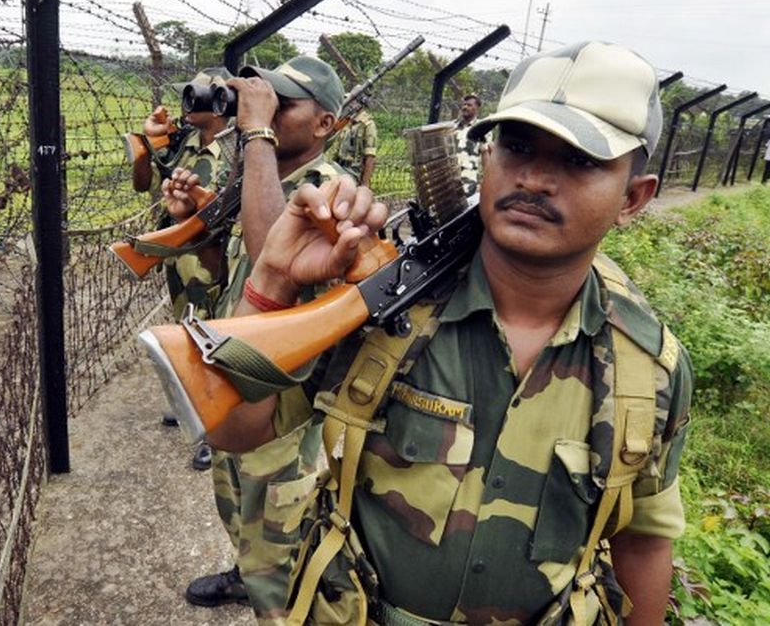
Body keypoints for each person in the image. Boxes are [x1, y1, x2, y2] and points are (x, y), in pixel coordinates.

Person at [207, 41, 693, 624]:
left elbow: (644, 539)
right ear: (487, 159)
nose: (535, 178)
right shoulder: (384, 302)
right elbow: (236, 431)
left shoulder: (647, 366)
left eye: (579, 160)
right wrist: (273, 283)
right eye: (516, 145)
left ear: (634, 198)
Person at [160, 55, 347, 615]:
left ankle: (271, 591)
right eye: (261, 98)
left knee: (284, 560)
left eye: (283, 104)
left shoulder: (327, 192)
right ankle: (245, 572)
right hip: (238, 392)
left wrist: (257, 134)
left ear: (325, 125)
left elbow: (276, 260)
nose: (259, 108)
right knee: (238, 511)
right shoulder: (262, 184)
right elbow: (229, 281)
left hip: (285, 417)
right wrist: (196, 228)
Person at [132, 68, 233, 471]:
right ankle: (191, 403)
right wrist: (145, 142)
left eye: (197, 96)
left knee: (216, 342)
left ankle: (214, 429)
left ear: (220, 102)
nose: (188, 103)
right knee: (187, 333)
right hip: (180, 260)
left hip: (218, 260)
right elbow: (143, 183)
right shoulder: (181, 142)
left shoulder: (240, 150)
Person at [333, 90, 378, 187]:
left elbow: (370, 157)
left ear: (360, 104)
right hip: (337, 165)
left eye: (352, 101)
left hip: (352, 172)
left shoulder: (368, 125)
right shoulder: (346, 121)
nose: (349, 103)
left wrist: (365, 183)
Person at [456, 93, 489, 197]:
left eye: (469, 105)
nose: (465, 107)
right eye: (464, 104)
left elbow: (485, 153)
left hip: (467, 178)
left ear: (477, 108)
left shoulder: (481, 128)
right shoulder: (452, 127)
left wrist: (487, 180)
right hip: (450, 176)